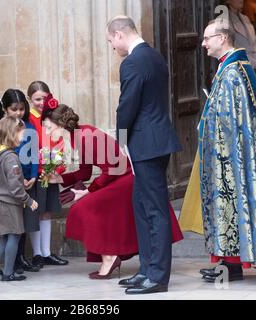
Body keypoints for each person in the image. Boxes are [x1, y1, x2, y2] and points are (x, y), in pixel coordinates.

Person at [42, 101, 183, 280]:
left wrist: (87, 192)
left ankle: (109, 256)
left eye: (48, 127)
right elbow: (85, 173)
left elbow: (113, 168)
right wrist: (59, 178)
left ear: (60, 124)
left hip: (128, 179)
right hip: (118, 178)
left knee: (83, 208)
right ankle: (109, 255)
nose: (47, 132)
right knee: (87, 207)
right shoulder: (78, 136)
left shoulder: (85, 136)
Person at [198, 19, 256, 282]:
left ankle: (230, 267)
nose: (203, 43)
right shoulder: (233, 66)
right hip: (231, 153)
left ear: (222, 38)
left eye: (207, 38)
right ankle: (227, 263)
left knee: (231, 204)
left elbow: (228, 119)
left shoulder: (233, 72)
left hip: (230, 155)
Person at [106, 16, 182, 294]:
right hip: (155, 141)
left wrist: (121, 140)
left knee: (155, 210)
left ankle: (157, 277)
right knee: (142, 207)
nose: (112, 47)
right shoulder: (154, 56)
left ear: (119, 35)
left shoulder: (134, 61)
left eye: (111, 41)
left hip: (147, 144)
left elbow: (127, 105)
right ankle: (147, 270)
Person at [0, 89, 40, 274]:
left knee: (19, 228)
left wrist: (33, 175)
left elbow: (33, 152)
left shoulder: (27, 127)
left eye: (21, 109)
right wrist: (22, 184)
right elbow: (11, 168)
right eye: (14, 109)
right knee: (14, 231)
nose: (19, 112)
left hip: (23, 183)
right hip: (15, 187)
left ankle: (15, 259)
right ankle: (10, 267)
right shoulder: (7, 133)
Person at [26, 81, 69, 267]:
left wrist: (57, 167)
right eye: (37, 99)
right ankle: (36, 254)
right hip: (36, 172)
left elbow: (58, 142)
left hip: (50, 172)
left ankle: (46, 252)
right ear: (30, 99)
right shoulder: (28, 119)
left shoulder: (52, 119)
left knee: (47, 213)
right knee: (36, 211)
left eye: (44, 98)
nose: (41, 102)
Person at [226, 0, 256, 79]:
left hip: (255, 71)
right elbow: (230, 50)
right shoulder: (225, 21)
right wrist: (253, 64)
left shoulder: (245, 18)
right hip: (240, 73)